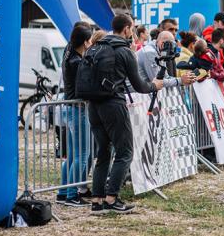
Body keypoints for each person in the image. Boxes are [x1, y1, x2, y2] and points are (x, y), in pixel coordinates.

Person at [86, 14, 164, 213]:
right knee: (125, 152)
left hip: (93, 105)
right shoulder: (124, 51)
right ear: (127, 29)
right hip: (113, 104)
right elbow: (139, 85)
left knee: (103, 153)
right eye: (133, 28)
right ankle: (111, 199)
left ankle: (97, 201)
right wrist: (154, 85)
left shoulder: (96, 46)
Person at [58, 23, 93, 207]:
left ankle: (63, 192)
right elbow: (85, 87)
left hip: (70, 108)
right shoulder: (77, 62)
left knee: (72, 155)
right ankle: (72, 194)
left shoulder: (69, 54)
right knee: (82, 154)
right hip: (78, 109)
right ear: (86, 42)